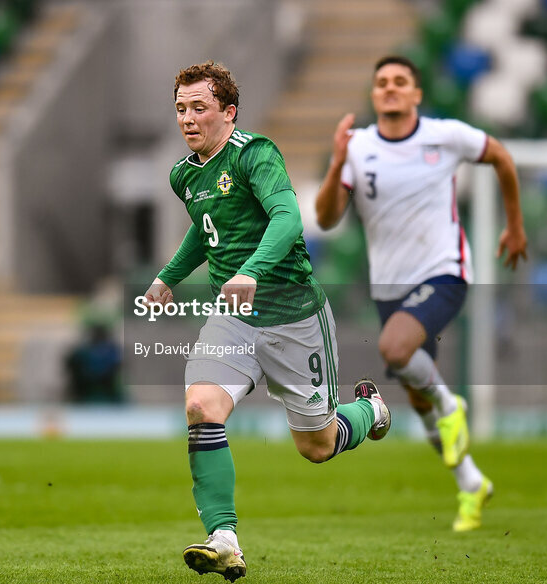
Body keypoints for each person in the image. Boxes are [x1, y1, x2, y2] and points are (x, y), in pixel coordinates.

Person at [143, 61, 391, 581]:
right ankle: (224, 538)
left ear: (228, 112)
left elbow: (286, 217)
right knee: (200, 405)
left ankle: (368, 410)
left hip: (295, 316)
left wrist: (252, 271)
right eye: (180, 110)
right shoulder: (183, 174)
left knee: (316, 446)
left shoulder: (256, 154)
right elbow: (205, 229)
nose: (188, 119)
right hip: (233, 318)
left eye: (199, 109)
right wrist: (169, 277)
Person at [314, 55, 527, 532]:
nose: (390, 88)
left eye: (400, 82)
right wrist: (335, 162)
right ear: (373, 95)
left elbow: (501, 157)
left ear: (416, 94)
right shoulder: (358, 146)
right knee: (418, 402)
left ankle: (454, 407)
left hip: (444, 272)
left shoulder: (445, 135)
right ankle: (471, 484)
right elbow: (327, 219)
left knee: (394, 348)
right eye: (382, 82)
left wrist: (514, 225)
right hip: (389, 288)